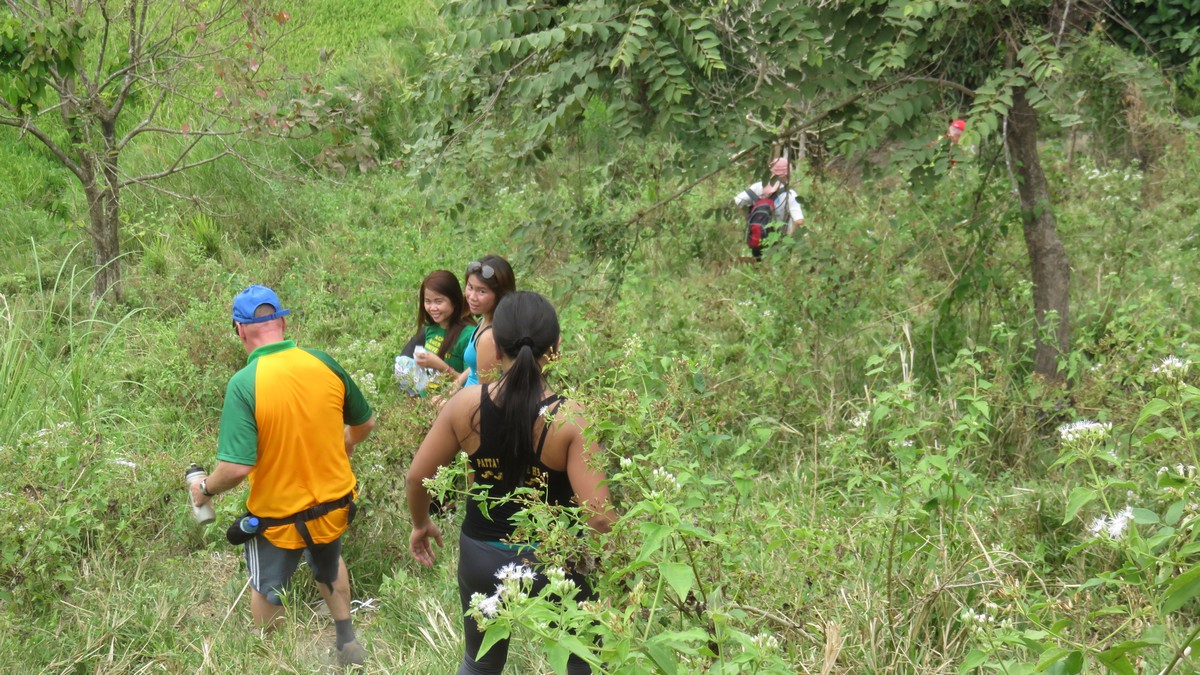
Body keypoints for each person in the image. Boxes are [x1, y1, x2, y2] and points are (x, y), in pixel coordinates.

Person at [406, 292, 616, 675]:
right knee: (583, 660)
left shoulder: (464, 406)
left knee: (480, 662)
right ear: (556, 348)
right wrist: (615, 570)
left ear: (496, 346)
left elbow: (417, 477)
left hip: (482, 556)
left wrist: (421, 523)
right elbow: (600, 518)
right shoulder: (571, 418)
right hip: (556, 561)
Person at [190, 284, 376, 668]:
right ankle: (348, 642)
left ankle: (274, 659)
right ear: (283, 323)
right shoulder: (322, 362)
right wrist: (346, 444)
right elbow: (364, 422)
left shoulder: (244, 384)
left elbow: (236, 468)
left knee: (266, 589)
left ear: (240, 330)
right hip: (335, 505)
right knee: (329, 562)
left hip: (277, 519)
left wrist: (203, 489)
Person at [406, 270, 476, 394]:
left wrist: (442, 367)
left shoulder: (468, 334)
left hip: (451, 400)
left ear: (454, 301)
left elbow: (471, 382)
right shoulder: (431, 328)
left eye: (438, 301)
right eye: (428, 301)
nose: (433, 308)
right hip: (428, 401)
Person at [456, 255, 516, 387]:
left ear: (500, 295)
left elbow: (486, 394)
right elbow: (475, 367)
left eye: (482, 291)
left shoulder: (489, 337)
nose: (472, 297)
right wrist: (451, 391)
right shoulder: (485, 320)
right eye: (470, 287)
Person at [733, 157, 805, 259]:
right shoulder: (790, 194)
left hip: (757, 237)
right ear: (787, 174)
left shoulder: (758, 186)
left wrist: (748, 218)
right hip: (778, 242)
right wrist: (788, 237)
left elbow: (736, 201)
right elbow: (799, 221)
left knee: (757, 265)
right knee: (776, 266)